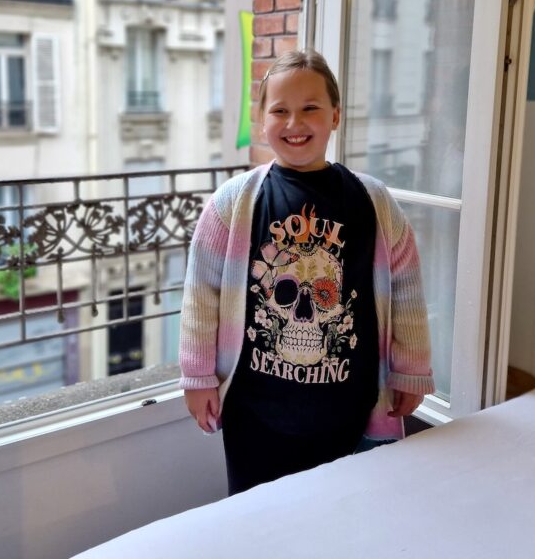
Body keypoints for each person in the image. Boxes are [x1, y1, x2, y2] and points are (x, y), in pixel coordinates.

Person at [179, 51, 434, 495]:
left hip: (347, 412)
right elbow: (202, 293)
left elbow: (406, 287)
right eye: (280, 110)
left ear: (335, 116)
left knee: (338, 518)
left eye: (310, 108)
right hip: (254, 416)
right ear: (262, 120)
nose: (295, 122)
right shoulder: (232, 205)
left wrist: (410, 369)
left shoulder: (374, 202)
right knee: (258, 522)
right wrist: (198, 377)